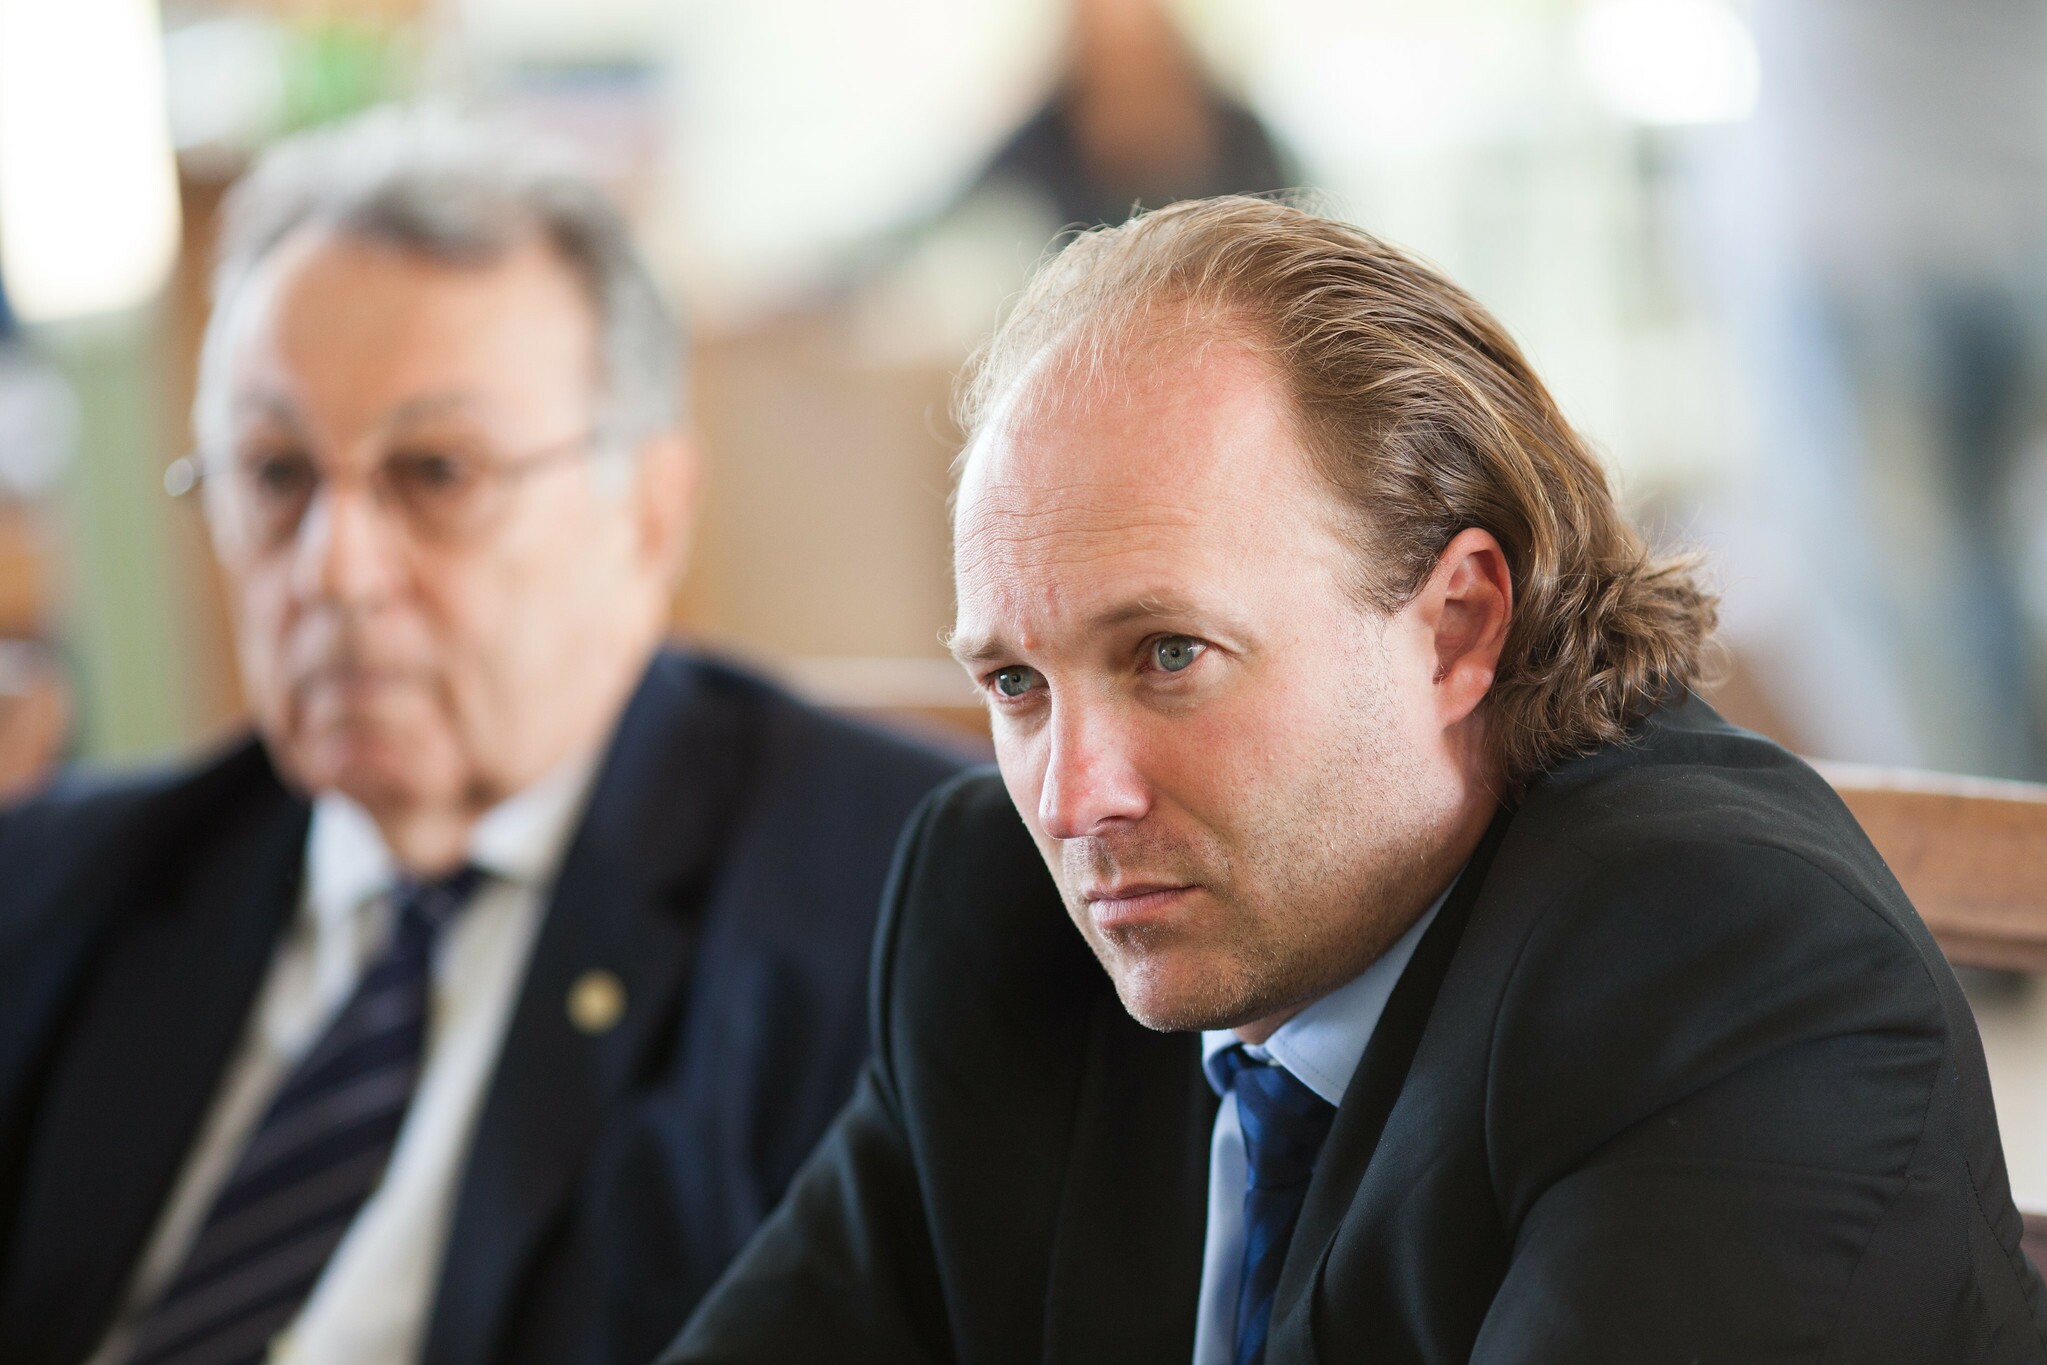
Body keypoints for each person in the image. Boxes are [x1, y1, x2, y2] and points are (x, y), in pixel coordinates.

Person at [668, 197, 2047, 1362]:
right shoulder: (1000, 917)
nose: (1072, 796)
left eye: (1165, 655)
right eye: (1015, 685)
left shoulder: (1725, 959)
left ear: (1454, 626)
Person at [0, 106, 962, 1365]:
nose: (335, 570)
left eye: (437, 474)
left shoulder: (893, 905)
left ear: (648, 515)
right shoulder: (61, 888)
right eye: (277, 475)